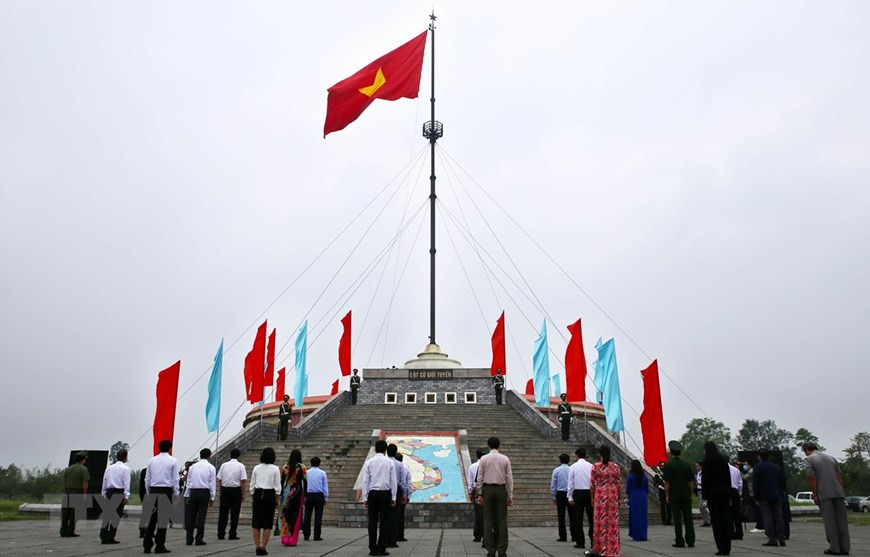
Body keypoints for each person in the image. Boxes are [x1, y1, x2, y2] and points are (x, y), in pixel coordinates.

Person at [803, 442, 851, 556]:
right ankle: (845, 547)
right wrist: (841, 490)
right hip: (838, 492)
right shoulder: (831, 458)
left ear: (806, 450)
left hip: (824, 492)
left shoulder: (809, 459)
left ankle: (834, 547)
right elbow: (839, 476)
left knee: (830, 521)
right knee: (842, 521)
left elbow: (812, 477)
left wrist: (815, 494)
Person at [475, 436, 513, 557]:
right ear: (499, 445)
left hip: (488, 490)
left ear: (488, 446)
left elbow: (480, 477)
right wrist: (510, 495)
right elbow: (509, 478)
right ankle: (502, 550)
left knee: (488, 520)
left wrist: (479, 493)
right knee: (502, 520)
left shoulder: (484, 459)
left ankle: (490, 550)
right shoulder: (505, 458)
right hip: (501, 489)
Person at [361, 439, 397, 557]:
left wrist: (365, 497)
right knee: (384, 521)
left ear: (375, 449)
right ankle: (382, 547)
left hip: (373, 493)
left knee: (372, 521)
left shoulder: (369, 462)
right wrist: (393, 497)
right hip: (386, 493)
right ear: (385, 450)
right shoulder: (390, 462)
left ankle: (372, 548)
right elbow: (393, 481)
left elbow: (365, 481)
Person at [143, 439, 179, 554]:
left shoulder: (151, 461)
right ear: (170, 448)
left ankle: (147, 545)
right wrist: (176, 493)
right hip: (165, 490)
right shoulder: (173, 461)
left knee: (151, 519)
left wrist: (148, 492)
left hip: (153, 489)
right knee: (162, 520)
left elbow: (147, 479)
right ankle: (159, 545)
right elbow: (175, 479)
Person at [587, 445, 620, 557]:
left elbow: (592, 485)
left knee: (599, 522)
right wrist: (618, 498)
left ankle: (599, 548)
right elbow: (619, 485)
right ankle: (613, 549)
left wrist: (592, 498)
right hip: (612, 495)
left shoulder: (596, 467)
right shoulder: (615, 467)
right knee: (612, 523)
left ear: (599, 453)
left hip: (600, 495)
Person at [662, 440, 695, 548]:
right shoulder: (687, 465)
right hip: (686, 494)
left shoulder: (668, 465)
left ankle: (679, 541)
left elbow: (667, 482)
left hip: (675, 495)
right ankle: (691, 540)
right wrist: (691, 494)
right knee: (688, 518)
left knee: (677, 519)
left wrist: (667, 495)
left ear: (671, 452)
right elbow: (691, 482)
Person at [701, 441, 732, 556]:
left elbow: (705, 480)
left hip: (712, 493)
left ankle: (720, 547)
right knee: (725, 519)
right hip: (724, 492)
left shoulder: (706, 462)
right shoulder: (723, 460)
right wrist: (729, 493)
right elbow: (728, 477)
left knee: (716, 520)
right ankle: (727, 547)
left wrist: (704, 495)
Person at [250, 447, 281, 556]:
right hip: (269, 494)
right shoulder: (275, 468)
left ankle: (257, 546)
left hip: (258, 494)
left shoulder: (256, 468)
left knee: (256, 522)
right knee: (268, 522)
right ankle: (263, 546)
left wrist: (253, 495)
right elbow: (277, 485)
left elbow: (252, 484)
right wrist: (278, 498)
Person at [753, 449, 786, 548]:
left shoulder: (757, 467)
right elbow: (781, 482)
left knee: (767, 517)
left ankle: (772, 538)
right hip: (776, 494)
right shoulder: (776, 467)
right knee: (778, 517)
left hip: (764, 495)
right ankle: (781, 538)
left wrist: (756, 497)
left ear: (759, 456)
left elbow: (756, 484)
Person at [184, 448, 216, 546]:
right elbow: (212, 483)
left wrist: (187, 494)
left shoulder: (193, 467)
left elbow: (189, 481)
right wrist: (212, 497)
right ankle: (199, 538)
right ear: (209, 456)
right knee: (201, 517)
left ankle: (189, 538)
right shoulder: (211, 467)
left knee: (191, 516)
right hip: (204, 492)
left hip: (193, 492)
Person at [100, 449, 131, 544]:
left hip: (109, 492)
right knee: (116, 516)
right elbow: (126, 483)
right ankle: (111, 536)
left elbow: (104, 480)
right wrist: (126, 496)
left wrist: (103, 493)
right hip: (119, 492)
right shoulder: (126, 469)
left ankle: (103, 535)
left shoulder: (109, 468)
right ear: (125, 457)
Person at [216, 447, 247, 541]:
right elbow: (243, 481)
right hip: (236, 490)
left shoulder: (224, 465)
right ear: (238, 455)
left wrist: (221, 490)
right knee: (235, 513)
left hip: (225, 489)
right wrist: (243, 493)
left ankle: (221, 533)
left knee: (223, 513)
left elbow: (219, 479)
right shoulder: (241, 466)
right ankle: (232, 533)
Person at [279, 449, 307, 547]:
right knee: (296, 516)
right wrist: (306, 495)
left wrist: (281, 494)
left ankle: (285, 539)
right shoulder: (302, 467)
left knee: (286, 516)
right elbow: (305, 482)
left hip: (286, 494)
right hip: (297, 492)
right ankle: (292, 540)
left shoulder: (285, 467)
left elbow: (282, 482)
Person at [567, 447, 594, 549]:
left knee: (578, 519)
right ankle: (593, 541)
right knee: (591, 519)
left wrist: (569, 497)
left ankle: (580, 542)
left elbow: (570, 484)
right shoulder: (591, 466)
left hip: (578, 493)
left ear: (577, 455)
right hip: (589, 493)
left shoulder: (573, 467)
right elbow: (594, 481)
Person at [60, 450, 89, 538]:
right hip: (77, 492)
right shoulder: (84, 469)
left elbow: (64, 482)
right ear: (83, 459)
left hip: (67, 492)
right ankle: (70, 530)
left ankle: (63, 530)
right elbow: (84, 483)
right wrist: (85, 494)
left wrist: (64, 492)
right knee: (75, 513)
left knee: (65, 513)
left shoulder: (68, 469)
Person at [303, 456, 328, 542]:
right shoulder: (322, 473)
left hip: (309, 495)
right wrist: (325, 497)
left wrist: (304, 496)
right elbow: (325, 486)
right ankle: (317, 535)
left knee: (307, 515)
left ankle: (306, 535)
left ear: (311, 463)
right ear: (319, 463)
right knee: (318, 516)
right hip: (319, 495)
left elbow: (303, 485)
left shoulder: (306, 473)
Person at [467, 448, 487, 543]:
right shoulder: (487, 465)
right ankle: (485, 534)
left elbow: (470, 481)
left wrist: (471, 492)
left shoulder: (472, 466)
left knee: (478, 513)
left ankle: (477, 535)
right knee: (486, 514)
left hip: (476, 490)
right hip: (486, 489)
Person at [550, 453, 571, 542]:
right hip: (570, 493)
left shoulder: (556, 470)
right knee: (572, 515)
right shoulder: (571, 469)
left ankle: (563, 536)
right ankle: (575, 535)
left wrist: (553, 496)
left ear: (560, 460)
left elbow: (553, 485)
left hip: (560, 493)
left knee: (561, 516)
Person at [627, 459, 648, 542]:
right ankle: (643, 534)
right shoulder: (644, 476)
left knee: (634, 516)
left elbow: (628, 489)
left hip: (634, 496)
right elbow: (647, 489)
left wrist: (628, 497)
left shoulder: (630, 476)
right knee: (643, 516)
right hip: (643, 496)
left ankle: (636, 534)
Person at [395, 453, 410, 542]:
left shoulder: (391, 466)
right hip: (400, 492)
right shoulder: (405, 468)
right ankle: (400, 535)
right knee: (400, 515)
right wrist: (406, 495)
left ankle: (392, 535)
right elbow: (407, 483)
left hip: (392, 492)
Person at [728, 460, 744, 540]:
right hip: (735, 492)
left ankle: (731, 533)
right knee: (736, 514)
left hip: (727, 492)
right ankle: (739, 533)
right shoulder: (736, 470)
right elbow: (740, 483)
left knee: (728, 514)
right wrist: (739, 493)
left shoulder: (721, 469)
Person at [695, 461, 711, 527]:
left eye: (697, 465)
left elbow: (706, 482)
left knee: (702, 506)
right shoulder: (697, 473)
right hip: (698, 490)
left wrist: (699, 483)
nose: (696, 467)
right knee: (700, 506)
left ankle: (709, 518)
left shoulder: (704, 473)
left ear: (701, 466)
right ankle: (706, 521)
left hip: (703, 490)